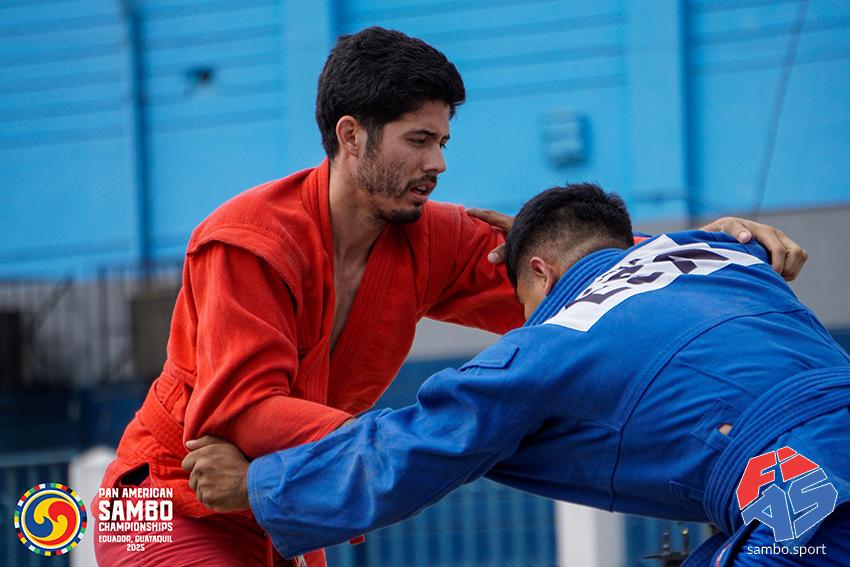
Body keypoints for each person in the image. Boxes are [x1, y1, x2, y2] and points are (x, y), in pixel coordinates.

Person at [95, 26, 808, 567]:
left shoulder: (430, 234)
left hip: (280, 501)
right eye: (418, 140)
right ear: (351, 136)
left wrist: (703, 249)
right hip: (167, 503)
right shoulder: (247, 241)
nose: (438, 162)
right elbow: (244, 410)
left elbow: (573, 279)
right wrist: (397, 450)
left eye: (442, 139)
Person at [183, 184, 850, 566]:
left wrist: (261, 486)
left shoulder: (549, 345)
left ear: (540, 272)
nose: (524, 319)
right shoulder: (724, 253)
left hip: (806, 493)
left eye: (522, 302)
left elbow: (414, 446)